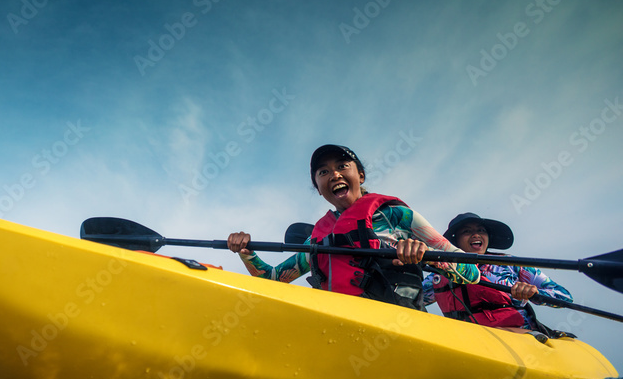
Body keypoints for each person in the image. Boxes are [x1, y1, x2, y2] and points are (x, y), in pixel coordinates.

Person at [226, 144, 480, 310]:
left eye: (342, 166)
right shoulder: (317, 239)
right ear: (318, 187)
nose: (334, 174)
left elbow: (472, 273)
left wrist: (427, 255)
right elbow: (271, 279)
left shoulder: (400, 217)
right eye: (323, 172)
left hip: (401, 326)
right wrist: (246, 252)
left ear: (360, 176)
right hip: (341, 329)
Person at [424, 212, 573, 337]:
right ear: (455, 241)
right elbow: (410, 298)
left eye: (481, 230)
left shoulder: (512, 264)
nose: (476, 234)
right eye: (467, 231)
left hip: (520, 339)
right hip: (468, 343)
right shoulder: (440, 273)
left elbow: (564, 296)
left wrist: (535, 293)